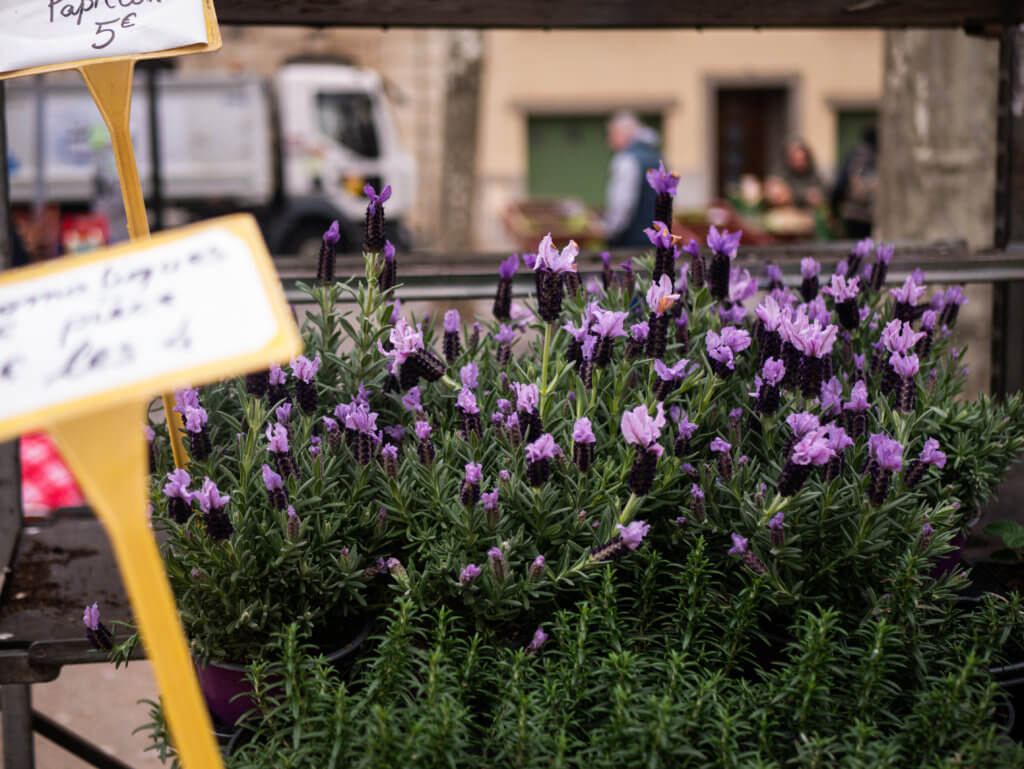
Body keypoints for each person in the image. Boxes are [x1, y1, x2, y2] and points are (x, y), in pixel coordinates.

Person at [600, 111, 663, 247]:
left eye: (612, 134)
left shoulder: (627, 159)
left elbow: (623, 204)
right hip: (656, 240)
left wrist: (608, 231)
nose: (609, 141)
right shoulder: (658, 157)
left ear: (622, 133)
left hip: (632, 242)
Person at [831, 125, 877, 239]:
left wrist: (834, 211)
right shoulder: (880, 156)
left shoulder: (854, 155)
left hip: (853, 213)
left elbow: (839, 184)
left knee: (855, 248)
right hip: (873, 213)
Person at [769, 138, 825, 212]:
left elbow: (823, 195)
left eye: (802, 159)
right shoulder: (782, 173)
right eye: (795, 159)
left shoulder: (814, 175)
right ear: (788, 159)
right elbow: (776, 192)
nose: (799, 163)